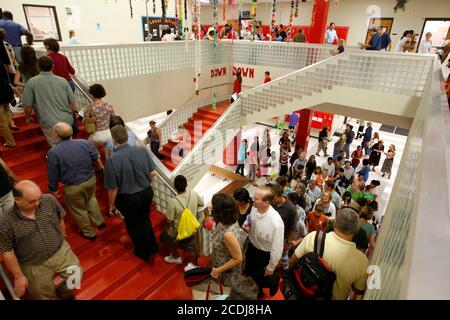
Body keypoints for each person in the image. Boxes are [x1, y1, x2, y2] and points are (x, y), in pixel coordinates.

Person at [0, 180, 82, 300]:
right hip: (33, 265)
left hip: (60, 252)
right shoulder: (6, 222)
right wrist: (18, 276)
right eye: (32, 201)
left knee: (77, 275)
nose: (38, 203)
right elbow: (7, 251)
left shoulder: (48, 199)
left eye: (39, 198)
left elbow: (60, 216)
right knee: (42, 293)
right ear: (17, 200)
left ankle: (64, 291)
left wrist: (63, 235)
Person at [104, 125, 159, 260]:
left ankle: (142, 251)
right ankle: (153, 246)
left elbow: (113, 188)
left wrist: (111, 205)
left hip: (128, 198)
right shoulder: (142, 150)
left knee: (133, 224)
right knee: (145, 219)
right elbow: (152, 173)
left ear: (114, 140)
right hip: (146, 192)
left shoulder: (111, 160)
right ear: (127, 137)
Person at [290, 208, 369, 300]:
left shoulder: (314, 237)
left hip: (302, 293)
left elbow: (292, 261)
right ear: (356, 230)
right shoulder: (362, 261)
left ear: (335, 223)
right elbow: (357, 291)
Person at [47, 122, 105, 240]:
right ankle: (99, 221)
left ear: (56, 134)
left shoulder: (53, 152)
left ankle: (89, 233)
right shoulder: (84, 143)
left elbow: (53, 174)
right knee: (91, 198)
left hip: (73, 186)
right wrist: (100, 167)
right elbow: (95, 157)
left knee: (79, 209)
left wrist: (54, 190)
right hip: (90, 179)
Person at [21, 56, 76, 147]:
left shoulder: (31, 82)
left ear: (38, 66)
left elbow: (27, 105)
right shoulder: (63, 81)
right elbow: (72, 103)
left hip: (49, 121)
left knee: (57, 147)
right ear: (53, 66)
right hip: (66, 119)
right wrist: (70, 114)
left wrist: (28, 117)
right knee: (69, 144)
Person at [242, 186, 284, 298]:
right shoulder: (254, 208)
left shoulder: (276, 222)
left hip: (264, 255)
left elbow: (277, 248)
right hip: (251, 248)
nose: (252, 200)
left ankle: (272, 282)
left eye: (256, 198)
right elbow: (250, 218)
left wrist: (271, 267)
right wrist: (247, 225)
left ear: (266, 202)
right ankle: (255, 291)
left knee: (261, 278)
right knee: (248, 273)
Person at [161, 175, 204, 265]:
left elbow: (169, 221)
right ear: (186, 184)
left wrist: (165, 229)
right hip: (192, 227)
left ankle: (176, 257)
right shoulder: (194, 194)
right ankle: (194, 265)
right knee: (192, 248)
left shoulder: (173, 201)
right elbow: (201, 204)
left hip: (178, 231)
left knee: (165, 238)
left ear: (175, 187)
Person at [210, 193, 243, 288]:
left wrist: (218, 270)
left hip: (227, 272)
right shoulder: (227, 220)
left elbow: (238, 258)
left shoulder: (228, 234)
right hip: (220, 265)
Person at [86, 84, 115, 153]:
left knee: (89, 146)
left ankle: (99, 162)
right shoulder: (109, 105)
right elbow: (113, 118)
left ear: (92, 94)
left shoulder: (89, 108)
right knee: (108, 150)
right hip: (109, 134)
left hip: (96, 135)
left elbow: (85, 122)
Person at [0, 80, 16, 147]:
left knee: (3, 124)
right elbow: (8, 86)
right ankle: (11, 124)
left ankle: (11, 143)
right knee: (7, 111)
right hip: (6, 98)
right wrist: (12, 98)